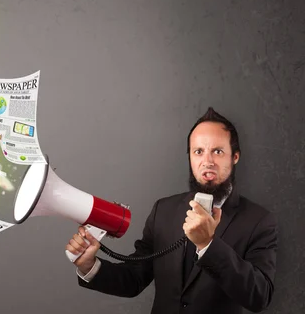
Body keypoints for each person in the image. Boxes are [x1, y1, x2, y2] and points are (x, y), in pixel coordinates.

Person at [66, 107, 278, 314]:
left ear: (235, 157)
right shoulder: (163, 211)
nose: (207, 161)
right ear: (190, 157)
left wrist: (208, 245)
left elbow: (260, 296)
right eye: (198, 152)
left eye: (218, 151)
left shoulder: (259, 221)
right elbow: (134, 279)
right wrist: (89, 265)